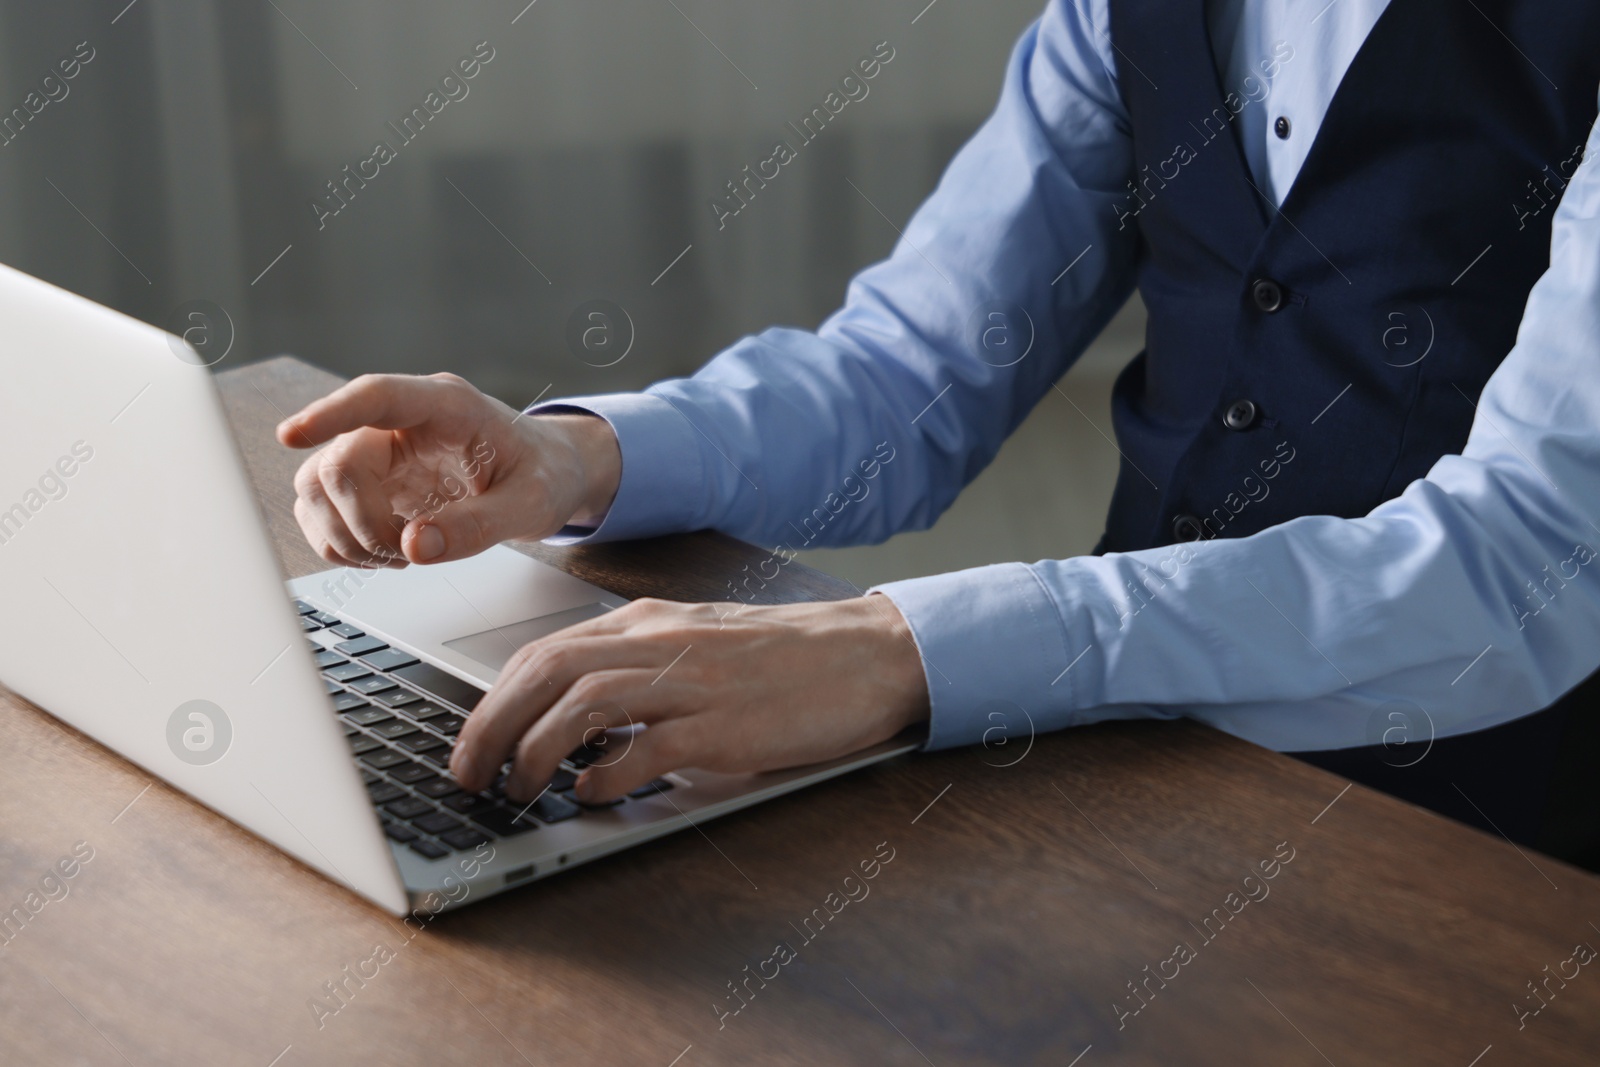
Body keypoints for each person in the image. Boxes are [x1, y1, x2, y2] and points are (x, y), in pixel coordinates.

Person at [278, 0, 1600, 861]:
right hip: (1111, 766)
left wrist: (895, 646)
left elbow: (1526, 561)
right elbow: (915, 373)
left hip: (1485, 842)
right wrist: (574, 458)